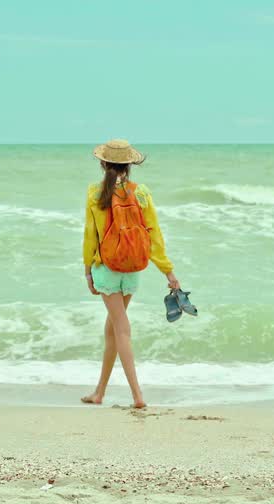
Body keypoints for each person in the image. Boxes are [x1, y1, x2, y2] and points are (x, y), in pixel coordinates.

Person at [81, 138, 180, 409]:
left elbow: (91, 235)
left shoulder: (95, 193)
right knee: (113, 328)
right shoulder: (141, 193)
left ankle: (137, 396)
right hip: (132, 269)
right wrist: (167, 271)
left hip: (107, 268)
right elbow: (154, 235)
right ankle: (99, 393)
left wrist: (88, 270)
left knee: (120, 329)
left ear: (103, 163)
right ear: (129, 165)